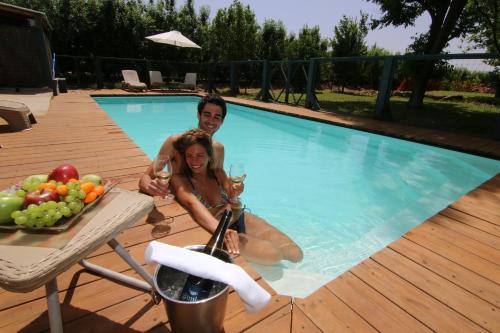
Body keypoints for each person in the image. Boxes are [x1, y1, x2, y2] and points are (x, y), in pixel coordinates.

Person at [171, 128, 303, 266]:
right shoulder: (180, 180)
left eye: (200, 155)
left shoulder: (217, 174)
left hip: (237, 217)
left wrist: (235, 193)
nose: (194, 161)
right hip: (216, 227)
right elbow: (193, 205)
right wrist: (223, 231)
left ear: (209, 156)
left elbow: (234, 201)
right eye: (189, 156)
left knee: (295, 253)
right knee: (273, 256)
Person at [139, 93, 227, 197]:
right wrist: (151, 187)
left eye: (216, 117)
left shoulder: (218, 148)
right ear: (199, 115)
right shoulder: (175, 142)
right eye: (207, 115)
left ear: (221, 121)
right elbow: (146, 177)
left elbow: (220, 181)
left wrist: (233, 189)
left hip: (209, 203)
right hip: (181, 204)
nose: (211, 121)